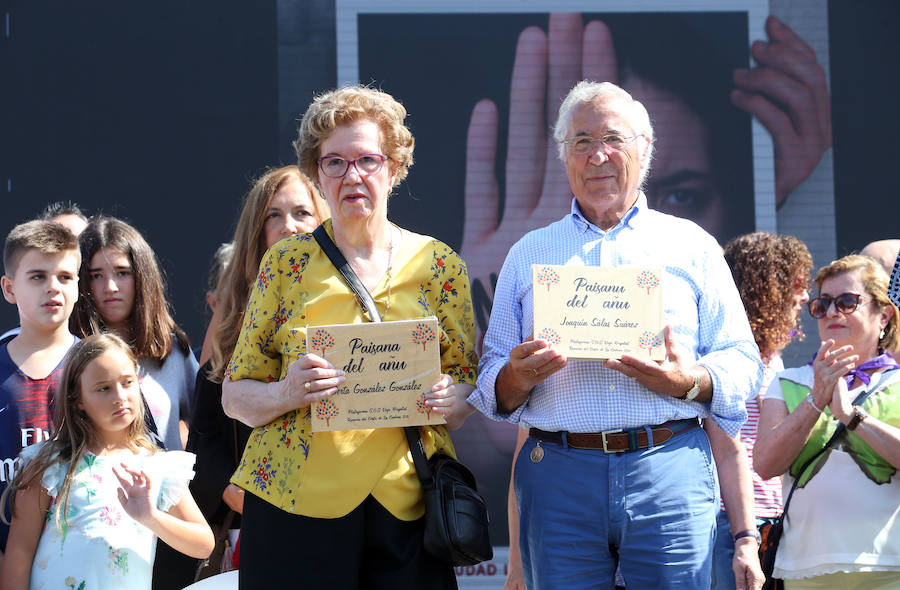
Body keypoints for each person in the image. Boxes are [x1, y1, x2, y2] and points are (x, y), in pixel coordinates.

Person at [468, 80, 762, 589]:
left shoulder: (692, 246)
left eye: (613, 139)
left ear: (644, 149)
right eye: (582, 141)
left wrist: (688, 382)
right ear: (565, 156)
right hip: (559, 472)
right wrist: (515, 377)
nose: (598, 155)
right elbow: (492, 374)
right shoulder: (529, 253)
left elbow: (743, 362)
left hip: (667, 468)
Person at [222, 86, 478, 589]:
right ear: (318, 174)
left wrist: (454, 397)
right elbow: (235, 396)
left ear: (395, 167)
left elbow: (469, 386)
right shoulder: (286, 264)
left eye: (367, 159)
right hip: (295, 508)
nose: (351, 175)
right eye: (334, 162)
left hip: (407, 507)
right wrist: (284, 392)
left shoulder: (439, 265)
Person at [153, 166, 329, 590]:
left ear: (323, 222)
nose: (289, 226)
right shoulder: (232, 320)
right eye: (274, 215)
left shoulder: (355, 302)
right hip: (256, 519)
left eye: (302, 213)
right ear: (257, 231)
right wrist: (233, 491)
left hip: (338, 512)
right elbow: (206, 433)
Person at [0, 333, 214, 590]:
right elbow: (20, 552)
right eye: (103, 388)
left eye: (127, 382)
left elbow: (204, 544)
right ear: (77, 399)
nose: (120, 396)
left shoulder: (158, 466)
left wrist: (152, 517)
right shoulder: (49, 463)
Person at [754, 255, 900, 588]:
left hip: (891, 566)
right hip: (803, 570)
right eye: (823, 305)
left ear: (884, 315)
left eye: (847, 302)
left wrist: (852, 417)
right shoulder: (789, 382)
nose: (833, 312)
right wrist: (816, 400)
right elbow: (764, 464)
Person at [708, 233, 813, 590]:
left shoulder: (772, 357)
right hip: (733, 522)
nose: (805, 296)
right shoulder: (729, 355)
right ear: (764, 288)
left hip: (772, 516)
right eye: (795, 284)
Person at [70, 216, 198, 453]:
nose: (110, 287)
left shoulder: (173, 351)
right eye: (97, 275)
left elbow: (208, 428)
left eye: (122, 273)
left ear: (142, 276)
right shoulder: (68, 354)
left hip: (164, 489)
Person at [0, 221, 81, 574]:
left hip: (81, 567)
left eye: (65, 277)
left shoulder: (102, 369)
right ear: (9, 288)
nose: (53, 288)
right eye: (37, 276)